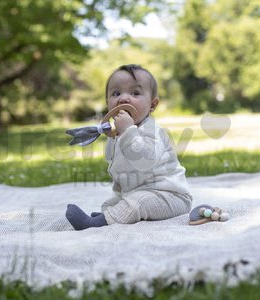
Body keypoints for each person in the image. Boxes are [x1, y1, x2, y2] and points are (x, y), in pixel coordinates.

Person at [66, 64, 192, 230]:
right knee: (111, 203)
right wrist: (115, 137)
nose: (124, 98)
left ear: (152, 105)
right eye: (116, 93)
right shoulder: (120, 132)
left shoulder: (153, 130)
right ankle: (109, 216)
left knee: (137, 203)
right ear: (107, 103)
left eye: (135, 93)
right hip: (139, 191)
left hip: (170, 195)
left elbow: (144, 162)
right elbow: (116, 167)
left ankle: (94, 224)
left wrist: (127, 131)